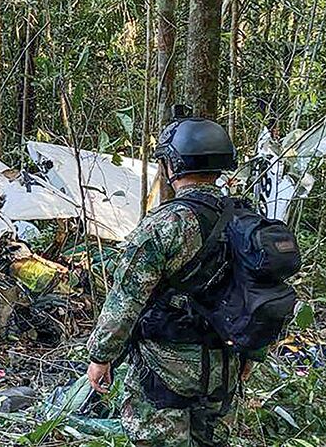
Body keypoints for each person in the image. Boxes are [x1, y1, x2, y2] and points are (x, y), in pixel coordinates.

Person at [84, 114, 256, 446]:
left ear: (173, 165)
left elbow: (125, 300)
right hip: (224, 368)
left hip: (164, 370)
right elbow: (263, 291)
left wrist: (101, 356)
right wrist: (252, 354)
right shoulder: (246, 220)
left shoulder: (165, 224)